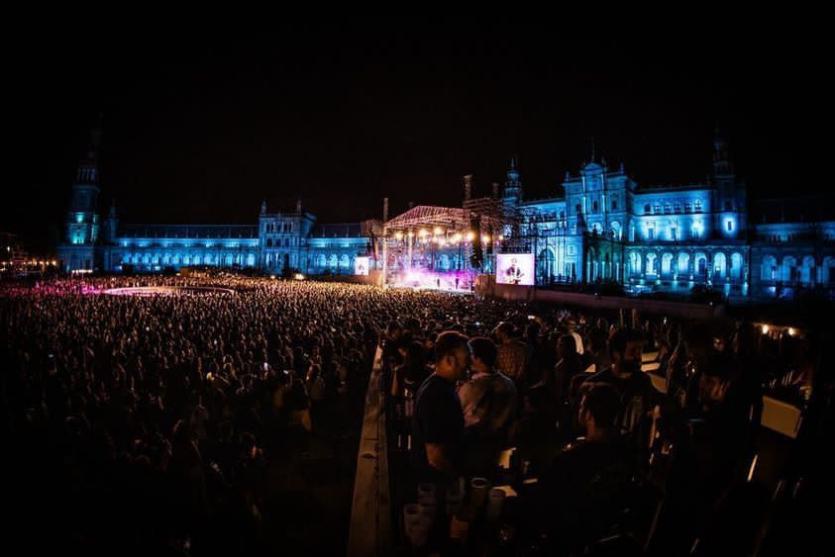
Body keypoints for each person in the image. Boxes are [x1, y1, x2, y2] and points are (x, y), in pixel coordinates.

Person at [411, 331, 470, 481]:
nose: (469, 366)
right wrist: (458, 480)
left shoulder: (436, 384)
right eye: (466, 360)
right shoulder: (437, 395)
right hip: (436, 483)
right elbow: (435, 456)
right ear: (450, 360)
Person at [457, 337, 517, 476]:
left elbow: (457, 412)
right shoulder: (509, 384)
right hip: (502, 446)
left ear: (476, 358)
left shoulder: (472, 387)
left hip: (474, 448)